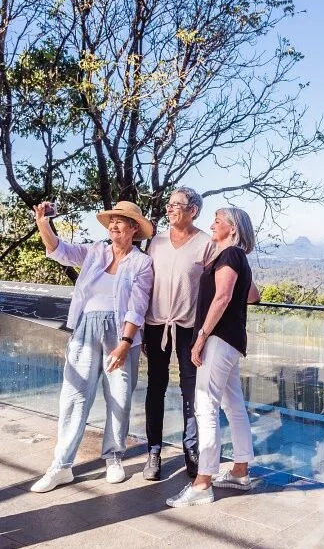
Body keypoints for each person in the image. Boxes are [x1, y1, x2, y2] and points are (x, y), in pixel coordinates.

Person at [31, 201, 153, 493]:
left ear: (134, 228)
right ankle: (61, 466)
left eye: (120, 221)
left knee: (119, 397)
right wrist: (43, 223)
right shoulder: (95, 251)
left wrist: (124, 345)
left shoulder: (142, 262)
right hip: (86, 328)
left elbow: (137, 308)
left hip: (122, 333)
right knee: (74, 396)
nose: (113, 225)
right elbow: (59, 251)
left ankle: (113, 457)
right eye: (111, 220)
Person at [166, 207, 260, 507]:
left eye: (217, 221)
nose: (212, 225)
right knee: (233, 405)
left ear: (232, 229)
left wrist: (201, 337)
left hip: (219, 340)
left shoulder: (230, 256)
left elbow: (222, 297)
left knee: (205, 406)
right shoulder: (234, 258)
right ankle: (240, 472)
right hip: (232, 341)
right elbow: (253, 295)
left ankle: (203, 482)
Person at [142, 187, 215, 480]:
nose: (169, 209)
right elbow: (145, 284)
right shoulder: (156, 243)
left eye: (176, 205)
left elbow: (213, 291)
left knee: (191, 391)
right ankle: (154, 451)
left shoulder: (206, 245)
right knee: (155, 387)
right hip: (155, 325)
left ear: (192, 211)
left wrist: (204, 334)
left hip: (188, 329)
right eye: (169, 205)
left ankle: (191, 450)